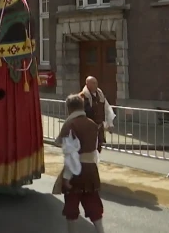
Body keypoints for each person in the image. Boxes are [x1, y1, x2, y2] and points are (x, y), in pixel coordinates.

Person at [53, 94, 105, 233]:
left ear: (69, 109)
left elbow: (71, 154)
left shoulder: (70, 125)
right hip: (91, 169)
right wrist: (93, 167)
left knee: (71, 204)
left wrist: (67, 177)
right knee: (93, 202)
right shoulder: (92, 124)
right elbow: (95, 151)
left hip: (77, 171)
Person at [79, 76, 116, 153]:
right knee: (89, 148)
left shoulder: (100, 95)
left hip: (99, 126)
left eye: (96, 83)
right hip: (88, 127)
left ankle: (95, 162)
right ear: (87, 84)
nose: (96, 85)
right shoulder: (82, 96)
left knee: (99, 147)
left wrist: (110, 124)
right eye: (93, 83)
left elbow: (107, 109)